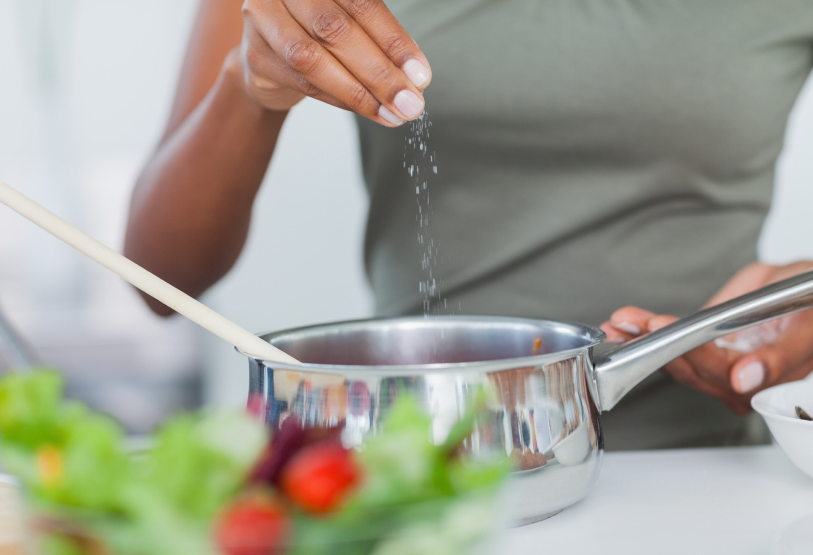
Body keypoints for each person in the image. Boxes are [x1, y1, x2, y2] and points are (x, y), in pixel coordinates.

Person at [124, 0, 813, 449]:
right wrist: (250, 86)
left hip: (710, 484)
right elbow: (158, 278)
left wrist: (800, 298)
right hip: (411, 476)